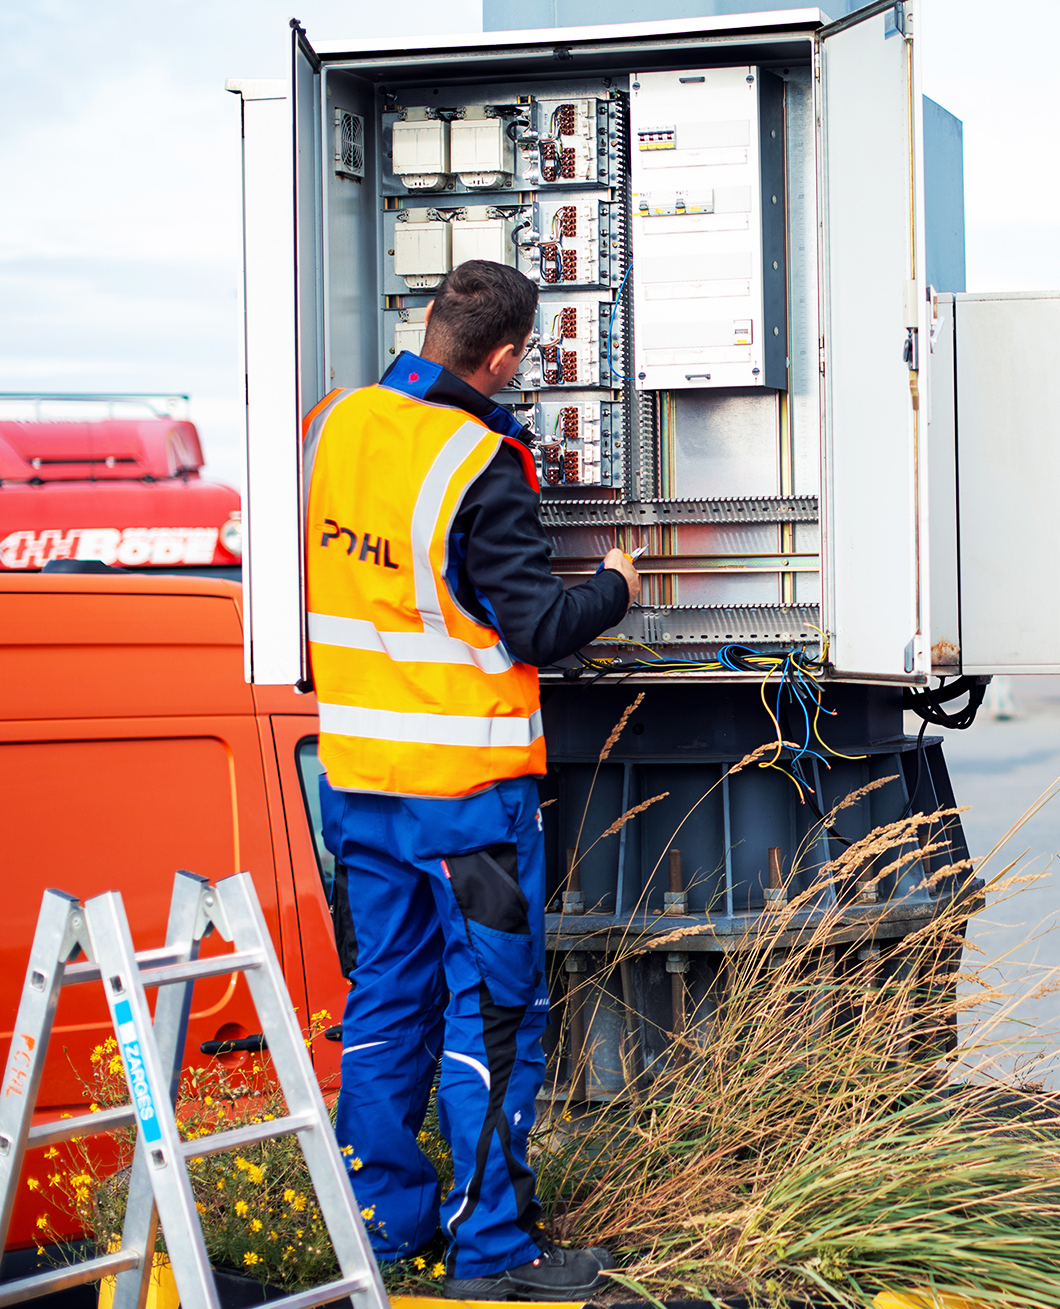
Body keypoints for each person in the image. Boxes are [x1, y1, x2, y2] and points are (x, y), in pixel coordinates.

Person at [302, 259, 640, 1298]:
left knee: (385, 1002)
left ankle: (383, 1231)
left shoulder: (337, 424)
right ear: (502, 358)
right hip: (466, 797)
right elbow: (536, 627)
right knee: (490, 1015)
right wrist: (614, 588)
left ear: (429, 325)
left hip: (359, 780)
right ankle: (493, 1251)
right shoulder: (478, 460)